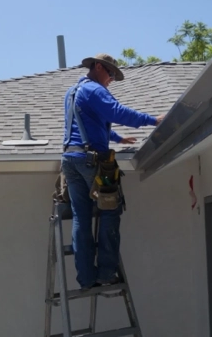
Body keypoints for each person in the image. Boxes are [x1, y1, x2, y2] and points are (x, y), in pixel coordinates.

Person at [62, 53, 164, 290]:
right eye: (110, 74)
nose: (110, 80)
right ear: (98, 67)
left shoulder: (72, 92)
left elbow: (87, 124)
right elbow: (118, 112)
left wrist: (117, 137)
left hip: (70, 160)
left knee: (82, 218)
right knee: (109, 211)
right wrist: (153, 120)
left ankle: (86, 278)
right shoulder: (95, 90)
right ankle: (106, 273)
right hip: (91, 162)